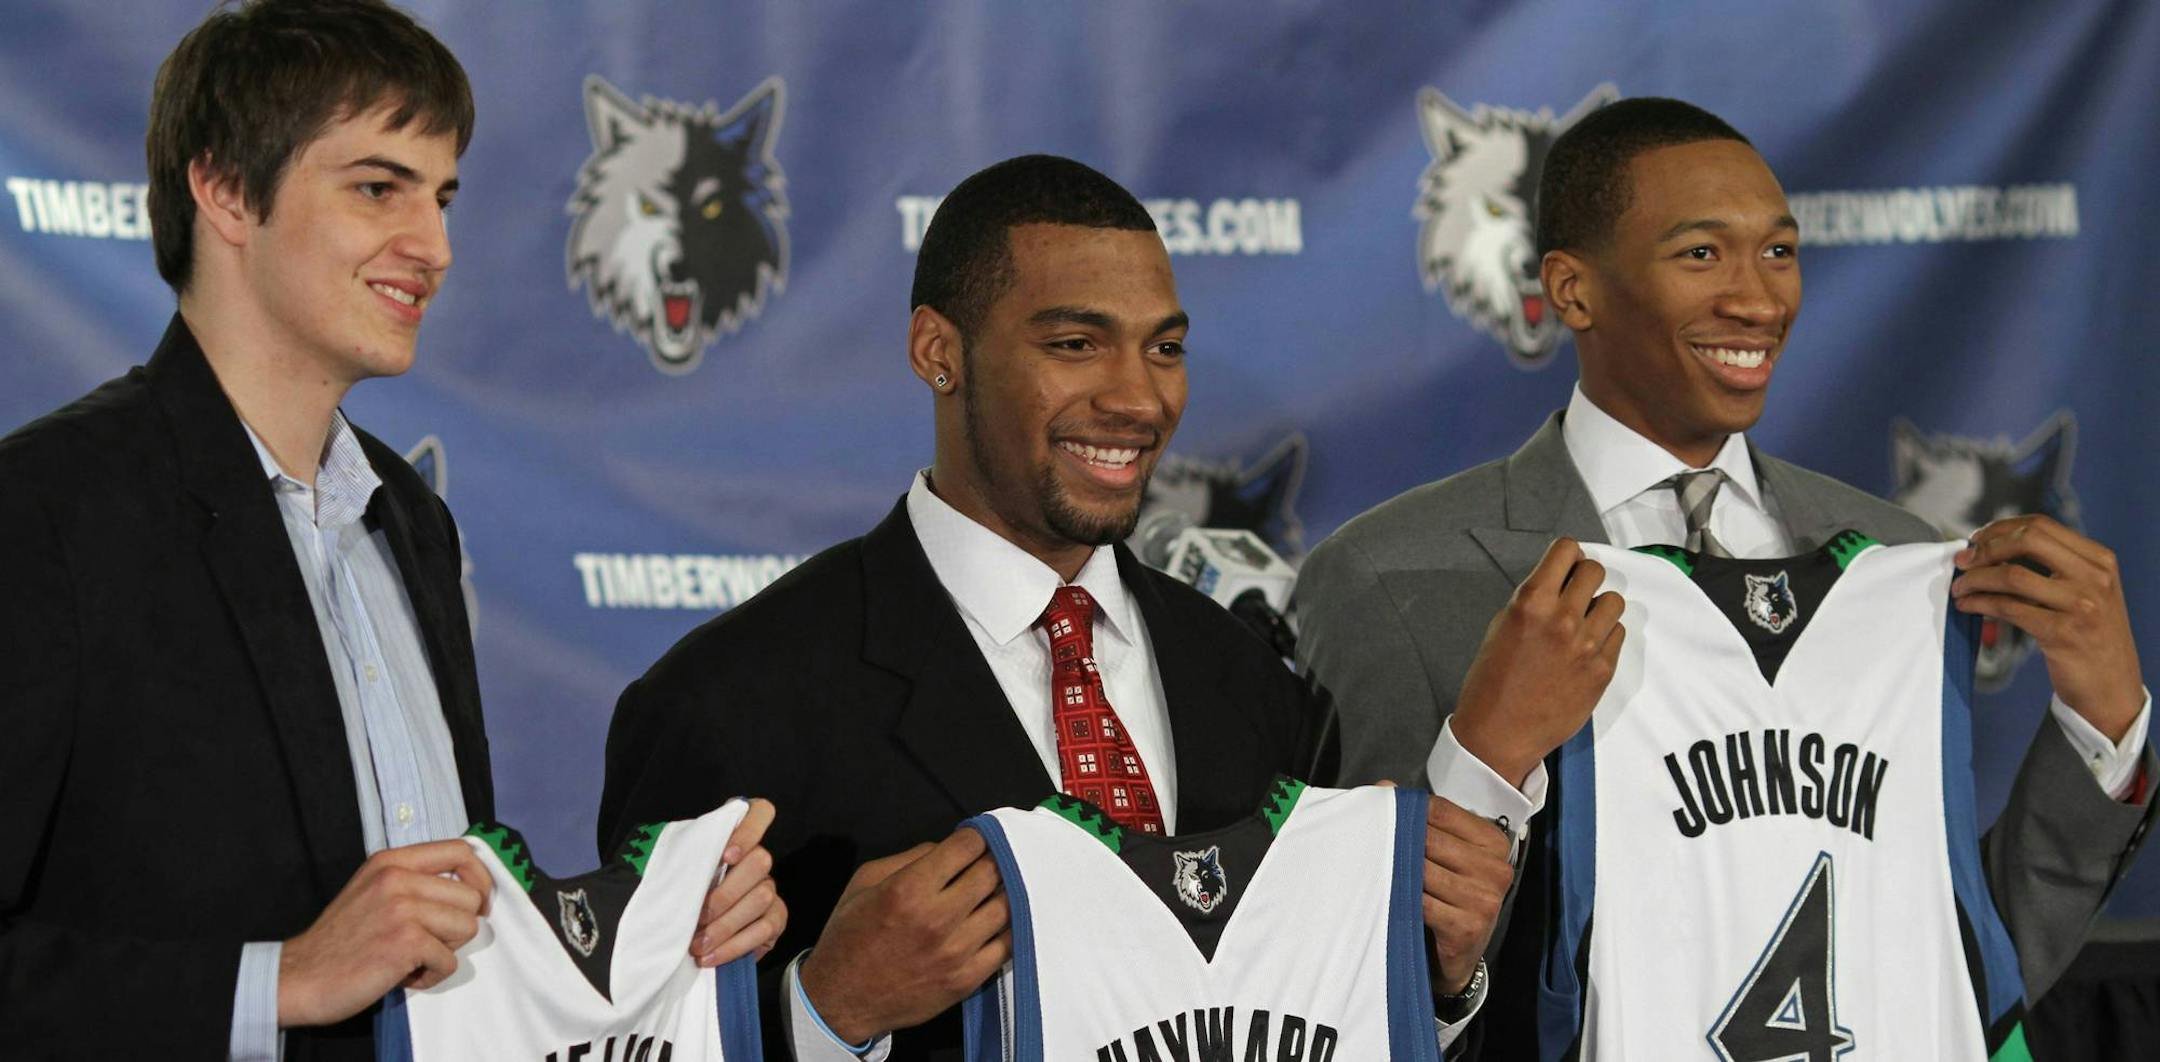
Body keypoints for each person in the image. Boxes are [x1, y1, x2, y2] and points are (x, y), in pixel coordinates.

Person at [598, 154, 1530, 1060]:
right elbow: (639, 1041)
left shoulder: (1249, 681)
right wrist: (826, 1012)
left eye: (1163, 348)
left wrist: (1436, 985)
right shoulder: (727, 704)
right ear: (939, 351)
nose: (1136, 397)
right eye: (1075, 344)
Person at [1292, 96, 2155, 1053]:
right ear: (1573, 291)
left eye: (1779, 252)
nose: (1757, 298)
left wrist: (2102, 730)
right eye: (1701, 253)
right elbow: (1339, 989)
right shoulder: (1392, 578)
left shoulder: (1889, 554)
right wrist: (1487, 765)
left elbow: (1948, 965)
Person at [0, 3, 780, 1057]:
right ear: (227, 189)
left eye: (443, 197)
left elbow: (438, 937)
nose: (435, 246)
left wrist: (659, 933)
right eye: (378, 187)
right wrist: (277, 982)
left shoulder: (411, 524)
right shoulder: (47, 509)